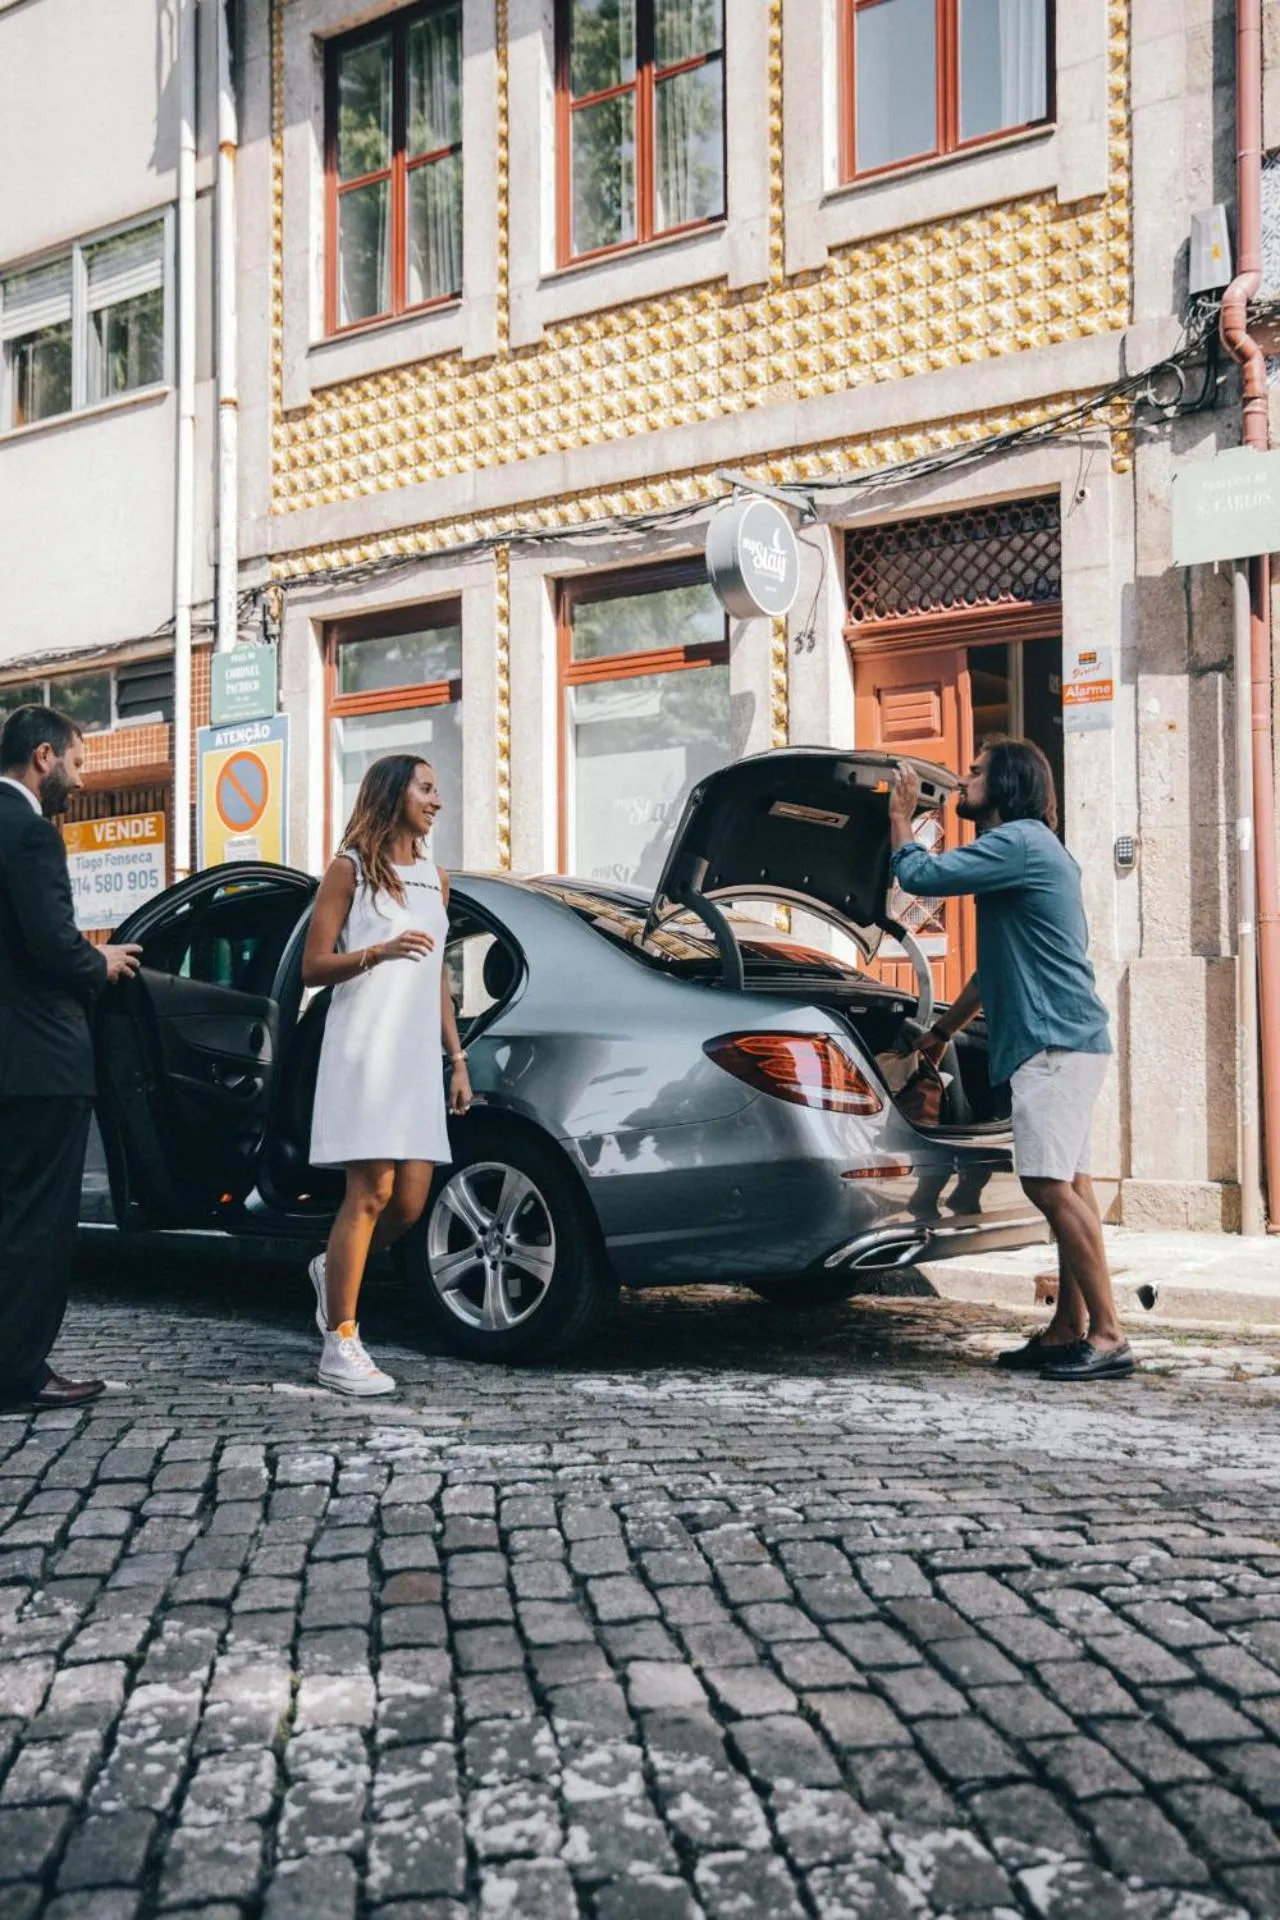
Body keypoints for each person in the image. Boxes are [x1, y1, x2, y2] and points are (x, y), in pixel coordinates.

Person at [889, 737, 1132, 1382]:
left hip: (1053, 1044)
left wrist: (899, 821)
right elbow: (991, 971)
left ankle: (1108, 1334)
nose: (965, 779)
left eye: (976, 772)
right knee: (1071, 1186)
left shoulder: (1019, 841)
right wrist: (942, 1031)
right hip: (1067, 1042)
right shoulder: (1028, 851)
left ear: (1008, 785)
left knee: (1048, 1186)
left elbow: (919, 878)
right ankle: (1067, 1330)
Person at [301, 754, 471, 1396]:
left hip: (415, 1058)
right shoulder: (349, 870)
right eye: (427, 788)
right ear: (392, 793)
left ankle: (331, 1269)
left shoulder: (436, 878)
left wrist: (456, 1061)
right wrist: (379, 951)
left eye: (437, 789)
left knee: (408, 1201)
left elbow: (437, 980)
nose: (437, 800)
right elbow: (312, 968)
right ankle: (339, 1344)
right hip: (364, 1050)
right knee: (369, 1192)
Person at [0, 705, 142, 1410]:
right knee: (36, 1226)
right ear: (45, 757)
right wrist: (102, 961)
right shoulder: (29, 833)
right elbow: (53, 946)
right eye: (80, 763)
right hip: (40, 1062)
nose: (81, 781)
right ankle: (21, 1373)